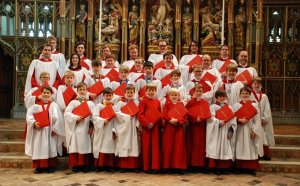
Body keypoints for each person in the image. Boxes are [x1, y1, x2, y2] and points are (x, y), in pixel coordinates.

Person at [25, 86, 64, 174]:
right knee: (39, 147)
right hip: (39, 131)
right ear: (41, 94)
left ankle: (50, 166)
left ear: (51, 94)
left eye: (48, 93)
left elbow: (58, 118)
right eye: (44, 93)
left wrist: (56, 129)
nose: (46, 94)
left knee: (51, 147)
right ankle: (38, 167)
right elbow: (29, 116)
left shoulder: (54, 105)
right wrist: (34, 122)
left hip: (50, 131)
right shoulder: (35, 106)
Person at [64, 82, 95, 173]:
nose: (82, 91)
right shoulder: (74, 102)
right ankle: (76, 165)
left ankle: (85, 165)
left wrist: (91, 126)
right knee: (75, 146)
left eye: (84, 89)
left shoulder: (90, 103)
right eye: (80, 90)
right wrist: (76, 118)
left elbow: (94, 116)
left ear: (87, 91)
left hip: (86, 128)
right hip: (76, 127)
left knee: (85, 145)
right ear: (77, 91)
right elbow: (66, 114)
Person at [233, 86, 263, 176]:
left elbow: (257, 120)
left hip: (250, 129)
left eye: (246, 93)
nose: (245, 95)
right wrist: (238, 119)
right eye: (243, 93)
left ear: (250, 94)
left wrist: (255, 131)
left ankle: (251, 168)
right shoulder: (236, 105)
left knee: (251, 147)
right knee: (240, 146)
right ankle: (239, 167)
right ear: (240, 95)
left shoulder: (254, 105)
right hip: (240, 129)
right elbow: (233, 117)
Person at [206, 90, 237, 175]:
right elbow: (211, 118)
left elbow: (233, 117)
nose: (222, 98)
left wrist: (231, 126)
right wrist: (219, 122)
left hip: (226, 129)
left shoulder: (229, 107)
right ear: (216, 97)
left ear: (226, 97)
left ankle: (225, 167)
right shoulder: (213, 107)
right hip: (217, 130)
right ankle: (216, 167)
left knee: (226, 148)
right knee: (217, 148)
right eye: (220, 97)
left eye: (223, 96)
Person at [114, 84, 141, 171]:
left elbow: (139, 114)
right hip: (124, 127)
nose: (130, 94)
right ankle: (123, 166)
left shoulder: (137, 103)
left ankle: (134, 166)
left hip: (133, 126)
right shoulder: (121, 103)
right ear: (125, 92)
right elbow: (116, 112)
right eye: (128, 92)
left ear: (134, 93)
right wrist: (126, 116)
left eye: (131, 92)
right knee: (123, 143)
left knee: (134, 144)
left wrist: (138, 124)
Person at [137, 83, 162, 173]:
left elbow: (159, 114)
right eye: (149, 90)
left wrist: (158, 124)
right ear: (146, 91)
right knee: (146, 146)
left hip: (155, 127)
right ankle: (147, 167)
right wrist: (147, 123)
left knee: (155, 146)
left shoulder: (157, 102)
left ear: (155, 91)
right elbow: (140, 114)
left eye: (153, 90)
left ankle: (155, 166)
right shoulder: (143, 101)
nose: (151, 92)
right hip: (147, 127)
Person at [92, 87, 118, 172]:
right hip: (102, 129)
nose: (108, 97)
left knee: (110, 146)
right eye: (107, 95)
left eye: (110, 95)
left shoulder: (114, 106)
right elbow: (94, 117)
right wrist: (103, 121)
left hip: (111, 129)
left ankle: (110, 166)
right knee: (101, 146)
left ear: (112, 96)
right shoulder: (99, 106)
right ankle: (100, 165)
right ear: (103, 96)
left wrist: (115, 130)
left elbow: (117, 119)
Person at [162, 88, 187, 174]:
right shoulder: (167, 104)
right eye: (172, 95)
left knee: (178, 147)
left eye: (176, 95)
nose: (174, 97)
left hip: (178, 128)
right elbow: (164, 114)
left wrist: (178, 121)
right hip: (169, 127)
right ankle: (168, 166)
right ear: (169, 96)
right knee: (168, 147)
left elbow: (184, 117)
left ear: (179, 96)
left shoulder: (181, 105)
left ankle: (178, 166)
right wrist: (170, 120)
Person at [185, 84, 210, 172]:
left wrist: (201, 118)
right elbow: (186, 112)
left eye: (200, 91)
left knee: (200, 145)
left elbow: (208, 113)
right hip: (193, 126)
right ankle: (191, 164)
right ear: (194, 92)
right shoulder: (190, 102)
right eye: (197, 91)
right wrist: (195, 119)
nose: (199, 93)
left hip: (201, 126)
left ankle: (200, 164)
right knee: (192, 144)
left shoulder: (205, 102)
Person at [250, 77, 275, 161]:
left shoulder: (264, 96)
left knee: (264, 136)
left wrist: (264, 118)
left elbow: (267, 108)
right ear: (252, 85)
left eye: (258, 84)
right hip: (253, 120)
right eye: (255, 84)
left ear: (261, 85)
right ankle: (256, 154)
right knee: (255, 135)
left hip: (262, 120)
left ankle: (264, 154)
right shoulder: (249, 95)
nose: (256, 85)